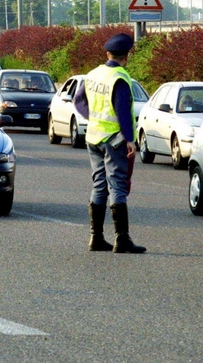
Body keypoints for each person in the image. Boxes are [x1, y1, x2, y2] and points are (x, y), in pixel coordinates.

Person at [74, 33, 146, 254]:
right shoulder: (120, 78)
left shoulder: (93, 74)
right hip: (114, 139)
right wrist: (130, 139)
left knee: (99, 185)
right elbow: (123, 112)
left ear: (107, 54)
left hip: (93, 137)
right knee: (118, 186)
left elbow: (78, 101)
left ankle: (96, 238)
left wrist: (93, 118)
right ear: (127, 56)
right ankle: (121, 239)